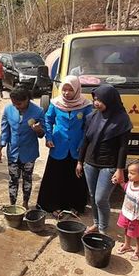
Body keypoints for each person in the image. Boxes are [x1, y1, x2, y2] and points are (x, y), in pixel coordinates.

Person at [77, 84, 133, 235]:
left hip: (109, 165)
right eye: (95, 99)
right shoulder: (92, 117)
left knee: (101, 198)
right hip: (90, 163)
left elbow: (123, 147)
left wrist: (120, 170)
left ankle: (103, 229)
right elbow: (85, 140)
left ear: (110, 100)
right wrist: (80, 161)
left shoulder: (122, 120)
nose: (96, 103)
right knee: (92, 196)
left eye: (100, 100)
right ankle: (96, 223)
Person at [36, 75, 93, 214]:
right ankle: (53, 206)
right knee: (55, 177)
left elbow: (89, 126)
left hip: (76, 147)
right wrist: (48, 137)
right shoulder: (55, 103)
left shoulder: (86, 105)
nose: (66, 93)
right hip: (58, 145)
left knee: (75, 178)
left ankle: (75, 206)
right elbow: (48, 120)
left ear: (77, 90)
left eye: (70, 90)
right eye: (64, 90)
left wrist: (82, 143)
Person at [0, 87, 45, 209]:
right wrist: (0, 148)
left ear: (27, 99)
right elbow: (5, 131)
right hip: (13, 152)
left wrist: (39, 131)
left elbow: (42, 134)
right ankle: (12, 204)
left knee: (27, 179)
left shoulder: (38, 111)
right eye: (14, 104)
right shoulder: (8, 110)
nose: (17, 106)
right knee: (13, 179)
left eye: (19, 104)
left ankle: (25, 203)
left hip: (29, 152)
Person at [116, 160, 139, 261]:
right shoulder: (130, 183)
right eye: (128, 172)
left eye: (132, 173)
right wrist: (120, 182)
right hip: (126, 213)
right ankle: (127, 245)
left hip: (136, 218)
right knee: (126, 229)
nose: (129, 175)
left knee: (138, 234)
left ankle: (138, 251)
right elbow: (125, 187)